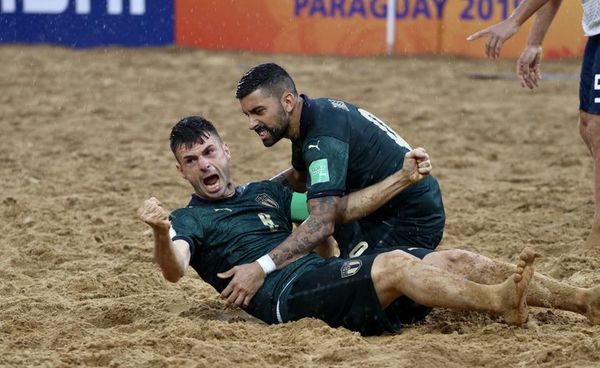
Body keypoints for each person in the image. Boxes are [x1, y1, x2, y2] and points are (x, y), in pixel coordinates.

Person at [138, 115, 600, 335]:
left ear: (226, 151)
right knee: (397, 264)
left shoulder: (268, 193)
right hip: (285, 298)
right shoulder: (187, 219)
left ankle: (582, 301)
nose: (203, 164)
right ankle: (498, 301)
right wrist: (160, 232)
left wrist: (399, 178)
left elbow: (335, 214)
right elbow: (176, 268)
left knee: (459, 258)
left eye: (208, 152)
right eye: (191, 160)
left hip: (323, 277)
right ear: (182, 171)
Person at [233, 62, 445, 281]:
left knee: (354, 289)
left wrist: (261, 266)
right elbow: (299, 177)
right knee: (306, 205)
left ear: (287, 101)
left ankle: (448, 267)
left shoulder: (322, 138)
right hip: (377, 208)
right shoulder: (309, 115)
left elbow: (322, 223)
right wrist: (247, 198)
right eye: (247, 114)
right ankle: (316, 266)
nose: (252, 124)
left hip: (408, 219)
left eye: (259, 112)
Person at [467, 0, 600, 248]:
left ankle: (598, 237)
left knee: (599, 131)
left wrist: (513, 21)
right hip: (596, 27)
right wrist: (534, 42)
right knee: (588, 126)